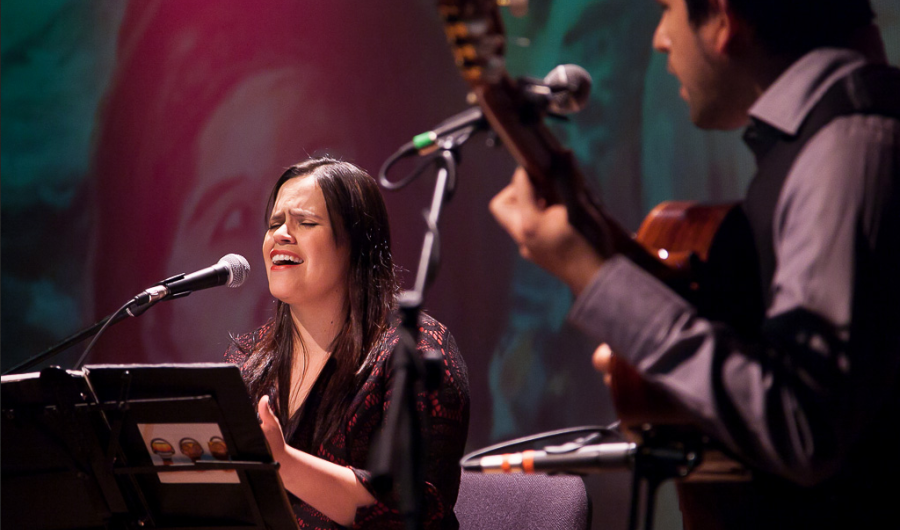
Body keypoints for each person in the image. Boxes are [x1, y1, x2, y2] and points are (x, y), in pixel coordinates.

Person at [490, 0, 900, 527]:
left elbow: (803, 428)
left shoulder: (848, 146)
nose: (660, 39)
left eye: (667, 11)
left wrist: (596, 278)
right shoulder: (831, 140)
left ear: (724, 21)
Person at [224, 158, 470, 529]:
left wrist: (285, 464)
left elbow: (418, 509)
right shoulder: (251, 358)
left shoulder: (414, 351)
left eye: (305, 223)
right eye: (274, 224)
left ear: (356, 244)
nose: (281, 235)